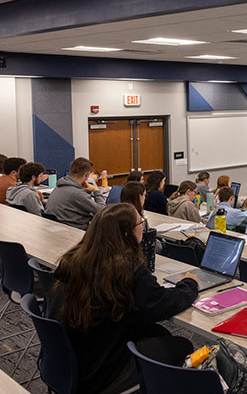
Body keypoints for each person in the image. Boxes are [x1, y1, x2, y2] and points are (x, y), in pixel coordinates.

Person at [50, 203, 198, 393]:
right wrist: (189, 284)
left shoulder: (74, 260)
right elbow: (162, 304)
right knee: (182, 345)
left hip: (75, 359)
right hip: (104, 372)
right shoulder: (125, 269)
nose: (143, 228)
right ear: (127, 233)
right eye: (140, 223)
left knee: (158, 332)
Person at [46, 157, 106, 230]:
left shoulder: (58, 187)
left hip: (59, 228)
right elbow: (102, 211)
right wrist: (96, 190)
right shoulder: (77, 193)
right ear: (87, 175)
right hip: (75, 231)